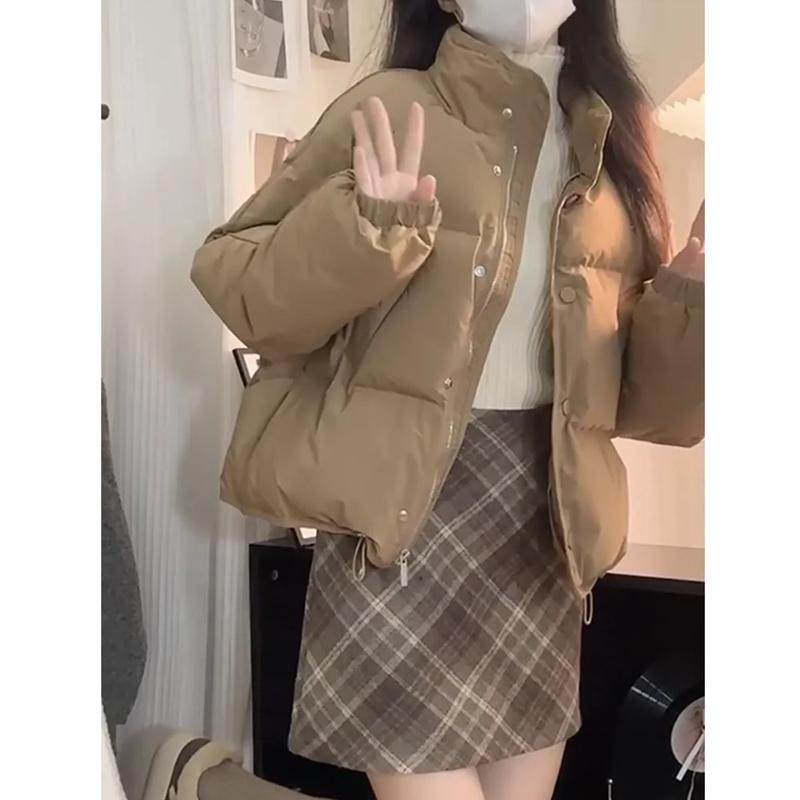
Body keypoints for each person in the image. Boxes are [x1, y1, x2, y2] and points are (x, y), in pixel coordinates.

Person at [188, 1, 705, 799]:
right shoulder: (390, 107)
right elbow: (242, 286)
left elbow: (639, 404)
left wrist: (693, 303)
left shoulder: (613, 141)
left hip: (541, 520)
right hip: (398, 515)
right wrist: (365, 233)